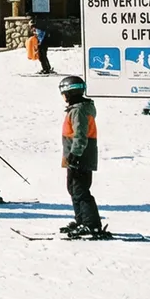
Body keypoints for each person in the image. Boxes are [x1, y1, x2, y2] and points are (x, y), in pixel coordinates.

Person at [58, 74, 107, 238]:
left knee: (81, 191)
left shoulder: (79, 111)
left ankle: (91, 224)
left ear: (69, 93)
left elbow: (81, 135)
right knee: (73, 189)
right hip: (74, 157)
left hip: (81, 156)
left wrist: (75, 154)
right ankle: (81, 221)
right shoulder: (76, 109)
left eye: (63, 93)